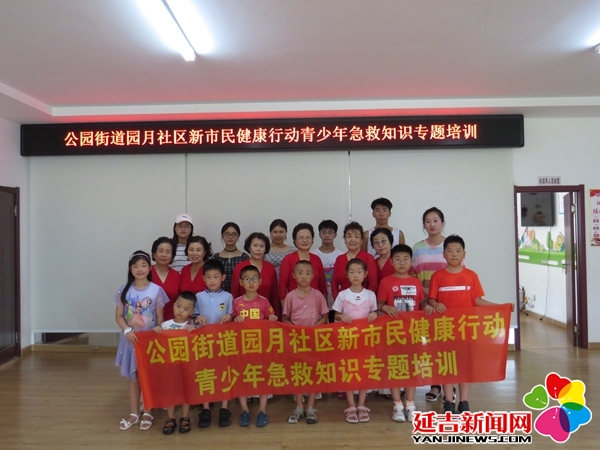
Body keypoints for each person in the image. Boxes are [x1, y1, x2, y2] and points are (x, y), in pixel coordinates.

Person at [427, 235, 514, 414]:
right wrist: (435, 304)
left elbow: (477, 301)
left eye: (458, 251)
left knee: (464, 366)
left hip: (466, 330)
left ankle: (464, 401)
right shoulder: (438, 276)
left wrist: (500, 307)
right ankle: (449, 401)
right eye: (450, 251)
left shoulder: (471, 276)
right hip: (444, 330)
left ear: (464, 254)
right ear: (443, 254)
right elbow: (431, 299)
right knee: (447, 365)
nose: (454, 254)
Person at [114, 250, 168, 431]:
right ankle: (134, 412)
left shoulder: (156, 290)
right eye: (135, 266)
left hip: (149, 340)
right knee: (133, 376)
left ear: (149, 268)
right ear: (130, 269)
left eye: (143, 265)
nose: (139, 269)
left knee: (148, 376)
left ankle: (148, 410)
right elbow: (119, 316)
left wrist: (158, 329)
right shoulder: (124, 290)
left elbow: (159, 316)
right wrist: (127, 329)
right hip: (131, 340)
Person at [377, 244, 425, 422]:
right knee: (395, 367)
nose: (402, 262)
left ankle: (410, 403)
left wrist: (428, 307)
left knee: (412, 368)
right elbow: (379, 304)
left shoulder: (416, 282)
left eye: (405, 259)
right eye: (397, 259)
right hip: (393, 333)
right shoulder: (386, 282)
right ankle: (397, 403)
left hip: (413, 332)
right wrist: (386, 307)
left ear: (411, 261)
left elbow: (422, 303)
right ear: (391, 262)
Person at [282, 260, 329, 425]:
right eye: (300, 273)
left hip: (313, 340)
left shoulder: (318, 295)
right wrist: (295, 330)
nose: (304, 276)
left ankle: (310, 407)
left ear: (313, 276)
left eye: (307, 273)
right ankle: (299, 407)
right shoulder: (290, 296)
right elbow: (285, 318)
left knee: (312, 373)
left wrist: (312, 330)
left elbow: (325, 317)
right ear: (294, 276)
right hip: (295, 341)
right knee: (298, 373)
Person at [332, 258, 378, 423]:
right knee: (349, 371)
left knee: (364, 371)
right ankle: (351, 406)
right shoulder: (343, 295)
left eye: (359, 272)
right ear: (347, 274)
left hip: (365, 340)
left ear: (365, 274)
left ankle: (361, 405)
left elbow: (375, 313)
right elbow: (335, 314)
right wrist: (341, 317)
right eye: (352, 272)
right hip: (347, 340)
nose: (356, 275)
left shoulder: (370, 295)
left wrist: (374, 314)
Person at [232, 265, 278, 428]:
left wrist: (272, 318)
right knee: (242, 378)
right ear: (241, 282)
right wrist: (235, 320)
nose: (251, 282)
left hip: (261, 348)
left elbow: (272, 318)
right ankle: (244, 410)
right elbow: (230, 323)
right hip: (242, 349)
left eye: (254, 279)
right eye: (247, 279)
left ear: (260, 281)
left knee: (262, 377)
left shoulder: (264, 302)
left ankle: (262, 411)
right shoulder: (236, 302)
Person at [412, 207, 449, 402]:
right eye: (428, 221)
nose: (432, 224)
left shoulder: (450, 245)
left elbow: (459, 272)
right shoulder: (418, 247)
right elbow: (413, 276)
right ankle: (435, 385)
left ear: (443, 223)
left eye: (435, 220)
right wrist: (423, 301)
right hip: (425, 304)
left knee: (448, 345)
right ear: (424, 225)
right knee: (430, 346)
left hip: (447, 304)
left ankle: (449, 384)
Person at [193, 259, 234, 428]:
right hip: (203, 342)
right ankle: (205, 407)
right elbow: (194, 317)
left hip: (223, 342)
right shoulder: (198, 297)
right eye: (208, 277)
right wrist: (198, 318)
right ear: (203, 278)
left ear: (223, 277)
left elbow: (232, 316)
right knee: (205, 373)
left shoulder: (228, 296)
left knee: (224, 372)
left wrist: (228, 317)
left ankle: (224, 407)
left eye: (215, 276)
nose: (212, 280)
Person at [155, 291, 196, 435]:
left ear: (191, 312)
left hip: (186, 367)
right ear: (173, 306)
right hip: (170, 367)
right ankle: (170, 418)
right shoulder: (165, 325)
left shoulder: (191, 326)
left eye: (186, 309)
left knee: (186, 392)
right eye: (178, 306)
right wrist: (157, 329)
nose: (181, 311)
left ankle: (185, 417)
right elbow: (157, 340)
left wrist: (194, 331)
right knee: (170, 393)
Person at [231, 232, 280, 318]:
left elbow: (274, 295)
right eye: (255, 245)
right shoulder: (239, 267)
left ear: (265, 249)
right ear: (249, 247)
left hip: (265, 315)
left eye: (261, 246)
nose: (258, 249)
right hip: (243, 316)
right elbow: (234, 293)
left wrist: (277, 317)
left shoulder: (270, 268)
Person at [278, 223, 327, 307]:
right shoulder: (288, 259)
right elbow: (282, 285)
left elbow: (322, 285)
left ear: (312, 239)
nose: (305, 240)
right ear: (295, 240)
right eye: (301, 237)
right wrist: (285, 306)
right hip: (295, 305)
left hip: (315, 304)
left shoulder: (316, 259)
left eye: (308, 237)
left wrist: (324, 304)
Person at [331, 221, 378, 301]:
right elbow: (334, 284)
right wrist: (339, 301)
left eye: (356, 236)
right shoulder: (339, 259)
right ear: (345, 239)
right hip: (343, 302)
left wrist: (364, 302)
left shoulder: (368, 258)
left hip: (364, 303)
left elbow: (373, 284)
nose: (352, 240)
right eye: (349, 236)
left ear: (361, 240)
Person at [311, 220, 344, 323]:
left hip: (337, 300)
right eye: (324, 232)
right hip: (318, 300)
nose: (327, 235)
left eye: (330, 232)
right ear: (319, 234)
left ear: (335, 235)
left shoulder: (341, 255)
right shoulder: (313, 255)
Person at [210, 222, 249, 293]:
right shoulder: (215, 258)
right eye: (227, 234)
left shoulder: (244, 257)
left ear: (238, 236)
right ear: (222, 236)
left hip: (240, 295)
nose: (230, 237)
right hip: (219, 296)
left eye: (234, 234)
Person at [150, 236, 181, 321]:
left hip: (172, 322)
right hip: (149, 320)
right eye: (161, 251)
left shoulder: (177, 275)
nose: (164, 255)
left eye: (168, 252)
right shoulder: (145, 273)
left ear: (172, 256)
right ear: (154, 254)